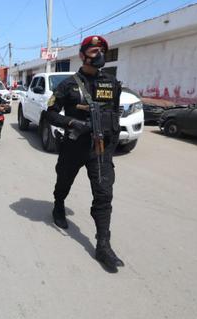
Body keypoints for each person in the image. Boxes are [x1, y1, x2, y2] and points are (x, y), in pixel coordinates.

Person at [43, 35, 124, 273]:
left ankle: (103, 244)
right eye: (94, 51)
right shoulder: (68, 84)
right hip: (74, 145)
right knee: (64, 182)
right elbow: (50, 112)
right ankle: (58, 205)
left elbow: (115, 115)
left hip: (100, 150)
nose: (98, 55)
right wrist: (71, 123)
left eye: (102, 51)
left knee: (104, 195)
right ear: (82, 55)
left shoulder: (112, 83)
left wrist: (111, 145)